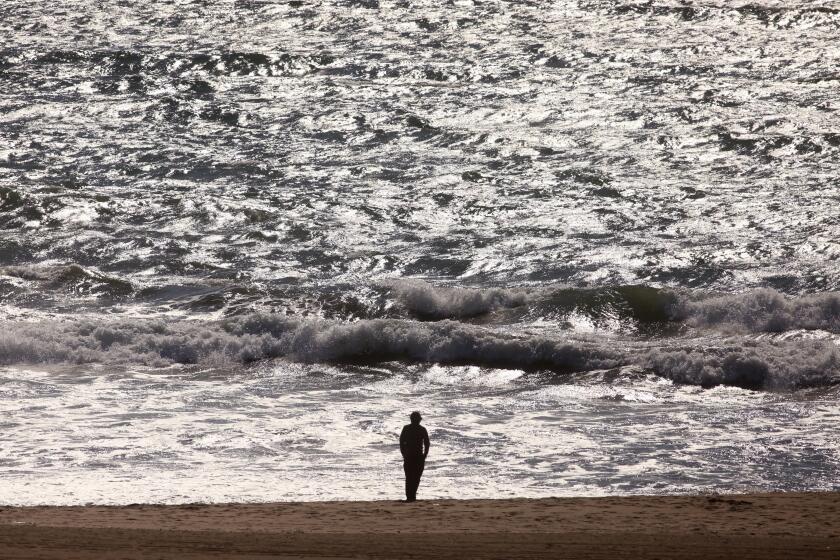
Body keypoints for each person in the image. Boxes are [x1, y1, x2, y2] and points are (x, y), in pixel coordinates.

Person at [399, 411, 430, 502]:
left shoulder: (406, 428)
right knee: (415, 477)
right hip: (417, 457)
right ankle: (411, 497)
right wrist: (424, 455)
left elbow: (401, 442)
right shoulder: (422, 429)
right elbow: (427, 443)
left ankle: (410, 497)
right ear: (419, 420)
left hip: (409, 456)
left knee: (409, 477)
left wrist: (404, 453)